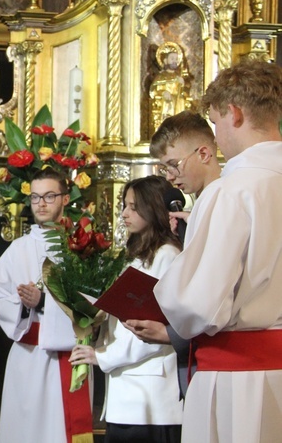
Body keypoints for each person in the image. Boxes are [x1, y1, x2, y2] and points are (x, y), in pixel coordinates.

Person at [153, 60, 282, 443]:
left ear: (234, 113)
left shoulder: (232, 191)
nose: (216, 136)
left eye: (214, 122)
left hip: (237, 382)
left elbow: (196, 306)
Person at [70, 176, 183, 443]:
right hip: (127, 389)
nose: (124, 213)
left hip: (151, 395)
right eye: (125, 205)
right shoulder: (133, 255)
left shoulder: (167, 255)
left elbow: (156, 328)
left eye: (133, 207)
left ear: (152, 208)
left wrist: (103, 355)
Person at [0, 168, 92, 443]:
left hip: (71, 356)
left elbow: (92, 304)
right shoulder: (18, 249)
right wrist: (23, 306)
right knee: (26, 430)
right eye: (35, 197)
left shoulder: (80, 249)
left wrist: (44, 301)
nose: (41, 204)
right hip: (29, 357)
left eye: (49, 196)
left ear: (65, 200)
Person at [123, 110, 222, 397]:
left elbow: (217, 294)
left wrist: (171, 334)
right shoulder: (203, 206)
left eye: (173, 165)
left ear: (203, 153)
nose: (170, 176)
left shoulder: (223, 200)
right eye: (164, 168)